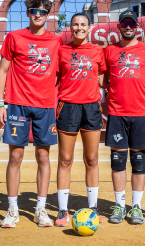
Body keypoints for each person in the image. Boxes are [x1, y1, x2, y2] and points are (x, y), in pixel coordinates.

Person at [0, 0, 62, 228]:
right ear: (27, 13)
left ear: (48, 15)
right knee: (15, 156)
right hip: (17, 104)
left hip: (45, 106)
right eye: (34, 10)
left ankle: (40, 209)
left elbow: (62, 73)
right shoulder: (14, 37)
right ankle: (12, 210)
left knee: (43, 156)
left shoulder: (57, 42)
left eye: (42, 11)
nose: (38, 14)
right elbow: (3, 71)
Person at [54, 13, 106, 227]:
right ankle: (62, 211)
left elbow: (101, 80)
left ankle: (93, 208)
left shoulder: (97, 51)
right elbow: (56, 79)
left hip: (91, 107)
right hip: (67, 106)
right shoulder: (62, 50)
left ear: (89, 27)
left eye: (83, 24)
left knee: (91, 159)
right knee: (65, 160)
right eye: (75, 24)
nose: (79, 28)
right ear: (71, 28)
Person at [104, 10, 145, 225]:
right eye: (124, 23)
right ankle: (119, 205)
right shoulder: (109, 51)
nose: (128, 26)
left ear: (137, 27)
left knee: (139, 161)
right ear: (119, 26)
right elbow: (103, 79)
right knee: (117, 162)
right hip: (117, 112)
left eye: (131, 23)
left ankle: (136, 207)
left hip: (140, 112)